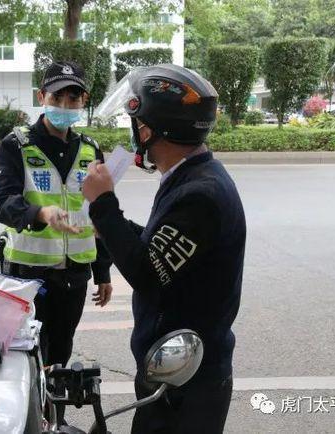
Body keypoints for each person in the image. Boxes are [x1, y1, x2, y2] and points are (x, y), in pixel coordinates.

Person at [82, 64, 245, 433]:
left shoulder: (200, 194)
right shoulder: (191, 177)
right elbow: (166, 247)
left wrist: (104, 204)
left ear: (149, 129)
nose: (135, 131)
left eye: (136, 122)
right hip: (175, 370)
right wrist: (110, 229)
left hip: (187, 382)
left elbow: (147, 272)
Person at [0, 60, 113, 370]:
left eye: (73, 99)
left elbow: (100, 211)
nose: (64, 105)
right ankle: (36, 416)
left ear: (84, 101)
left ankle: (53, 416)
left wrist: (103, 270)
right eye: (57, 98)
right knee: (29, 355)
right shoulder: (16, 145)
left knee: (60, 354)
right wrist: (41, 212)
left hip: (74, 276)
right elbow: (0, 201)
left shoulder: (90, 150)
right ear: (41, 97)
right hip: (28, 274)